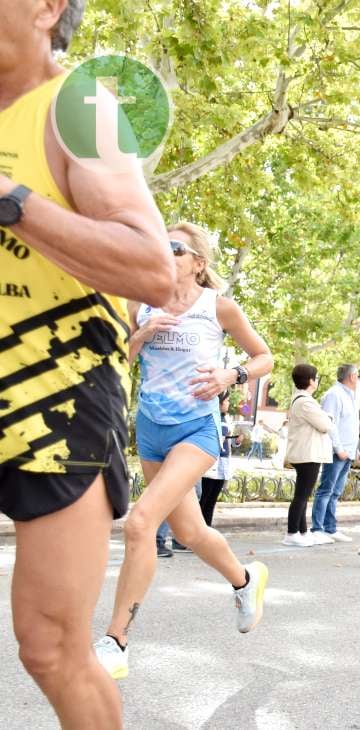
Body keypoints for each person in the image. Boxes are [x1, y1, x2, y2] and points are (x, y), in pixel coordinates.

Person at [0, 3, 176, 723]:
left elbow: (151, 268)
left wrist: (11, 199)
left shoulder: (78, 106)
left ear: (46, 8)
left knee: (49, 646)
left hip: (57, 401)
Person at [92, 223, 272, 681]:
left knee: (140, 522)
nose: (163, 252)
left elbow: (263, 357)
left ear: (198, 262)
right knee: (190, 530)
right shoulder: (139, 305)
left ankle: (116, 640)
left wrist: (229, 377)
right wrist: (142, 333)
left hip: (196, 428)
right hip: (151, 428)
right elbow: (118, 364)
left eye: (174, 247)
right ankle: (245, 580)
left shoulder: (219, 307)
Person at [283, 364, 333, 546]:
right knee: (302, 495)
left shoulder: (301, 399)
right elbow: (325, 425)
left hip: (305, 453)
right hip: (308, 454)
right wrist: (329, 418)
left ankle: (302, 531)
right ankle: (291, 532)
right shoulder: (306, 401)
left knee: (304, 494)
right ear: (311, 381)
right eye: (316, 377)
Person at [310, 363, 360, 543]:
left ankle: (330, 528)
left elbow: (349, 426)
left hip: (348, 451)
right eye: (358, 375)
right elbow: (330, 425)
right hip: (336, 452)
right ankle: (317, 528)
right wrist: (339, 449)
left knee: (336, 491)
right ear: (352, 376)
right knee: (326, 490)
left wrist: (355, 449)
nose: (359, 379)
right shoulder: (334, 394)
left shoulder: (351, 396)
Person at [199, 392, 241, 526]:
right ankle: (198, 531)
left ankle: (206, 530)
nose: (228, 403)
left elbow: (229, 443)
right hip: (211, 463)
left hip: (222, 464)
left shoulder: (226, 419)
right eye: (227, 400)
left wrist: (237, 440)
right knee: (204, 500)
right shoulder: (210, 418)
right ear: (219, 402)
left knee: (211, 501)